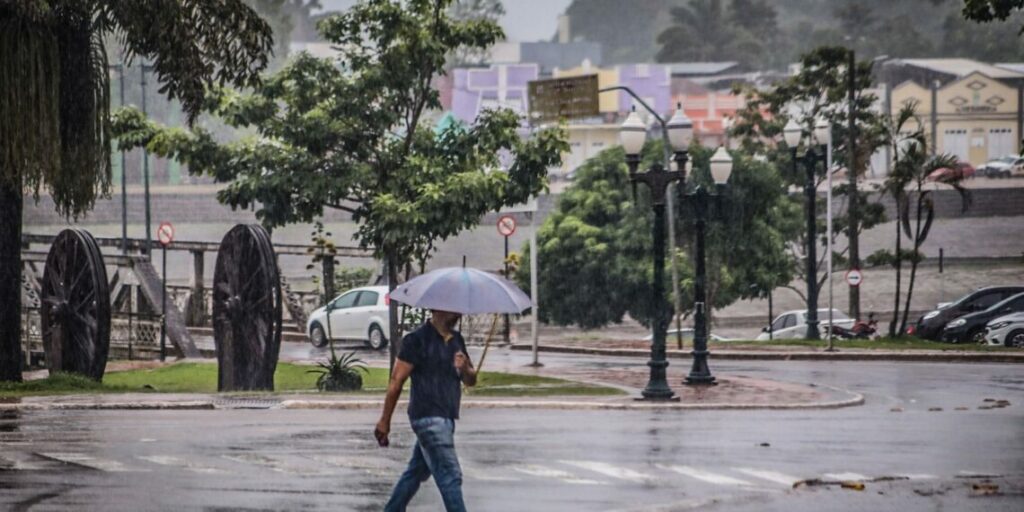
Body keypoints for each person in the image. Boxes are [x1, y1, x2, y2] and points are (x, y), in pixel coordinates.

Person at [376, 309, 477, 512]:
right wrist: (385, 420)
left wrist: (465, 368)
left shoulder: (457, 340)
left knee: (416, 471)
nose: (457, 314)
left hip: (447, 417)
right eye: (451, 309)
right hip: (428, 417)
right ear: (436, 309)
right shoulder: (416, 340)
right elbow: (396, 381)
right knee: (450, 475)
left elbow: (470, 380)